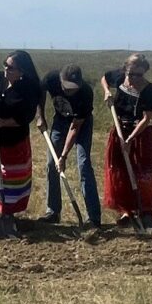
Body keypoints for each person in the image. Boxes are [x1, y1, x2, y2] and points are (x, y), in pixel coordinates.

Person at [0, 50, 41, 235]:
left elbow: (25, 116)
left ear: (21, 71)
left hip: (14, 141)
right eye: (5, 65)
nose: (6, 69)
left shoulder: (29, 88)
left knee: (11, 177)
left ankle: (9, 210)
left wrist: (3, 122)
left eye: (10, 68)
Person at [35, 64, 102, 228]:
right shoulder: (51, 78)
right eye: (67, 88)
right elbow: (39, 93)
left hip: (81, 124)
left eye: (74, 88)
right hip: (60, 121)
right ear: (60, 80)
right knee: (52, 164)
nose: (70, 91)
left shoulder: (86, 92)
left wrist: (64, 156)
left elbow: (75, 127)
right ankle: (53, 212)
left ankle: (93, 217)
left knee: (84, 164)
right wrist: (40, 116)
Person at [100, 53, 152, 228]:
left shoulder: (151, 91)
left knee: (143, 174)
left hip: (141, 135)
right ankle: (126, 210)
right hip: (119, 130)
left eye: (139, 75)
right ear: (125, 70)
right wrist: (107, 92)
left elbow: (146, 119)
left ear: (144, 72)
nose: (134, 78)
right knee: (120, 171)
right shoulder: (120, 77)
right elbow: (104, 78)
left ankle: (145, 212)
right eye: (131, 74)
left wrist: (129, 139)